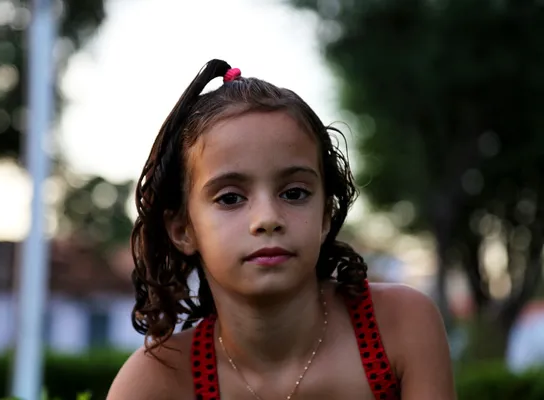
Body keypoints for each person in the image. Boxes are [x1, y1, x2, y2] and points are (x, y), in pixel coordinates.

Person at [107, 59, 455, 399]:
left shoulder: (400, 327)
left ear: (325, 215)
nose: (268, 218)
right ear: (183, 229)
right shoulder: (159, 381)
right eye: (230, 198)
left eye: (294, 193)